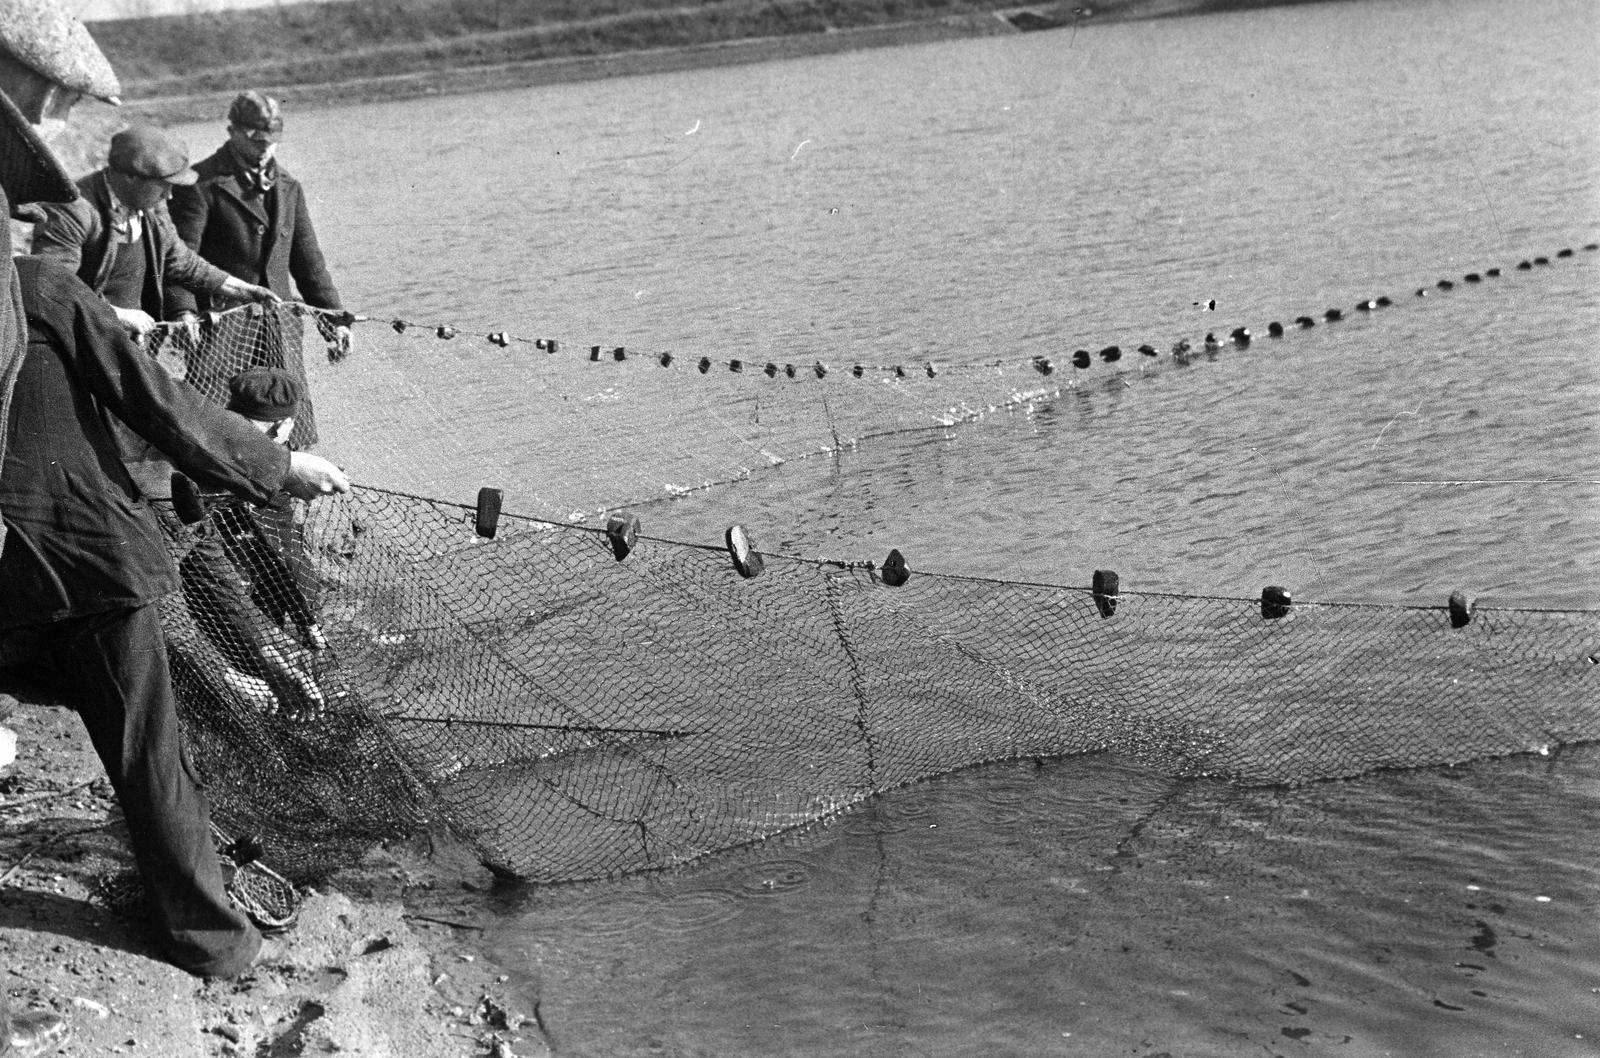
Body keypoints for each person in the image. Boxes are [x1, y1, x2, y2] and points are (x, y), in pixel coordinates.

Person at [0, 0, 350, 984]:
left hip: (12, 573)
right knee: (148, 745)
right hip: (82, 560)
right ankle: (213, 938)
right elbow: (168, 412)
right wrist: (283, 466)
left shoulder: (52, 271)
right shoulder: (54, 290)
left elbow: (183, 296)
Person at [169, 89, 351, 457]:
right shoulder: (201, 185)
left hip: (281, 325)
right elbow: (177, 260)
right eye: (255, 138)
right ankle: (218, 504)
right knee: (214, 422)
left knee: (288, 422)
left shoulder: (289, 187)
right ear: (232, 130)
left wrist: (335, 320)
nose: (265, 147)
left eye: (272, 139)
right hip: (222, 328)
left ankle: (284, 503)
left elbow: (308, 262)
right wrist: (182, 311)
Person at [29, 124, 282, 341]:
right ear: (130, 178)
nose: (169, 196)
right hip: (81, 342)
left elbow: (181, 262)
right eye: (164, 187)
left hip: (133, 341)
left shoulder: (151, 203)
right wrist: (117, 314)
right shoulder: (72, 209)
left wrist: (246, 290)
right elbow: (50, 288)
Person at [177, 367, 329, 720]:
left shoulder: (201, 435)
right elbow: (284, 546)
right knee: (259, 675)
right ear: (284, 426)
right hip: (214, 584)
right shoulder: (272, 465)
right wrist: (309, 618)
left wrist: (306, 614)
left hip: (209, 579)